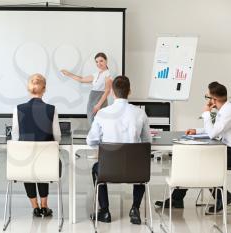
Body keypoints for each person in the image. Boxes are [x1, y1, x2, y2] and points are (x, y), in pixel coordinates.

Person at [155, 81, 231, 213]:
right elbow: (215, 129)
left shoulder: (227, 112)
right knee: (194, 162)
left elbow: (213, 133)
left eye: (207, 97)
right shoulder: (224, 110)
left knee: (200, 164)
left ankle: (224, 198)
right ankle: (178, 199)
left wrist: (206, 112)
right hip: (225, 149)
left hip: (229, 152)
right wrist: (197, 131)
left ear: (213, 99)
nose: (206, 101)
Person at [87, 75, 151, 225]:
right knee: (141, 166)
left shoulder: (102, 113)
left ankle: (104, 211)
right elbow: (147, 141)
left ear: (112, 93)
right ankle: (135, 208)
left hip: (109, 170)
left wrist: (102, 144)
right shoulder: (140, 113)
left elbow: (91, 140)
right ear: (129, 92)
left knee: (96, 168)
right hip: (135, 172)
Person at [11, 73, 62, 217]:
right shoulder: (52, 109)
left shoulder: (18, 108)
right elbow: (57, 137)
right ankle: (44, 206)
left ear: (28, 89)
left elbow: (15, 136)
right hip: (47, 162)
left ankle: (35, 206)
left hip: (25, 162)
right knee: (43, 160)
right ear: (44, 89)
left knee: (29, 163)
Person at [61, 52, 113, 124]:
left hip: (100, 101)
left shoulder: (108, 75)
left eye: (101, 61)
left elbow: (107, 91)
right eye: (97, 62)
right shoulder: (96, 74)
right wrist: (68, 74)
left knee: (99, 123)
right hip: (92, 100)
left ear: (106, 61)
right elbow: (81, 80)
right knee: (92, 121)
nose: (99, 63)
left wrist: (98, 105)